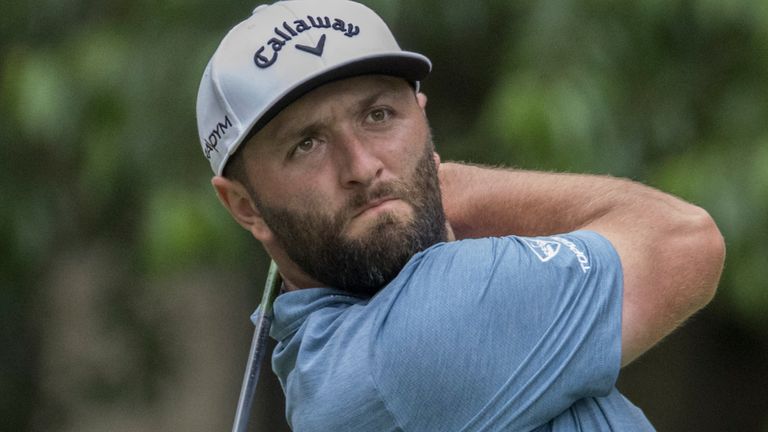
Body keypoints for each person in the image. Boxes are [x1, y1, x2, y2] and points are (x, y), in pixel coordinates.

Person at [195, 1, 725, 430]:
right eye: (306, 144)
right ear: (245, 206)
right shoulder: (416, 339)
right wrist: (445, 184)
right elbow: (683, 240)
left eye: (379, 115)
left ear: (422, 119)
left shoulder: (324, 365)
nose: (362, 166)